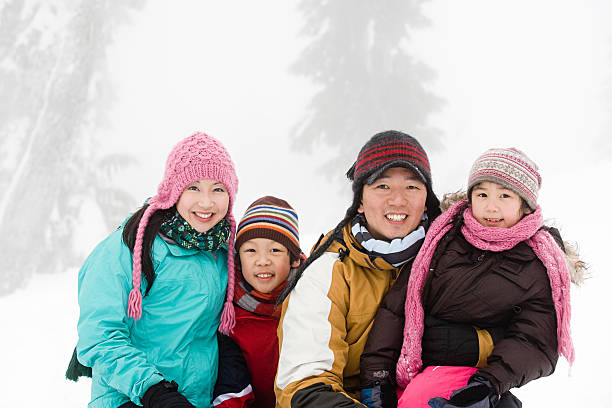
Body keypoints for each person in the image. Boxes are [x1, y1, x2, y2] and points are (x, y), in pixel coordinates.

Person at [273, 130, 495, 408]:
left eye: (412, 187)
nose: (398, 200)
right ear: (361, 201)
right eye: (383, 186)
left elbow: (516, 334)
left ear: (427, 198)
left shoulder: (453, 257)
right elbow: (303, 385)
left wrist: (469, 346)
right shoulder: (329, 270)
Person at [360, 147, 584, 408]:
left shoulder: (537, 262)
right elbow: (396, 309)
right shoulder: (443, 237)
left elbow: (535, 339)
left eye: (504, 195)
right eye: (482, 194)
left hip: (481, 376)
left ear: (524, 205)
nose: (491, 206)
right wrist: (376, 378)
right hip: (412, 368)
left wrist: (487, 385)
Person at [75, 132, 239, 408]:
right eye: (194, 188)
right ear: (174, 191)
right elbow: (100, 335)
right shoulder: (130, 247)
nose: (206, 202)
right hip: (129, 398)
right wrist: (154, 391)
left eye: (218, 189)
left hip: (196, 400)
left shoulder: (223, 252)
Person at [213, 196, 305, 408]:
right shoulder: (229, 313)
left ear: (294, 259)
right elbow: (230, 387)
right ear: (238, 258)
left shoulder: (310, 301)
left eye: (275, 250)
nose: (262, 261)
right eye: (251, 250)